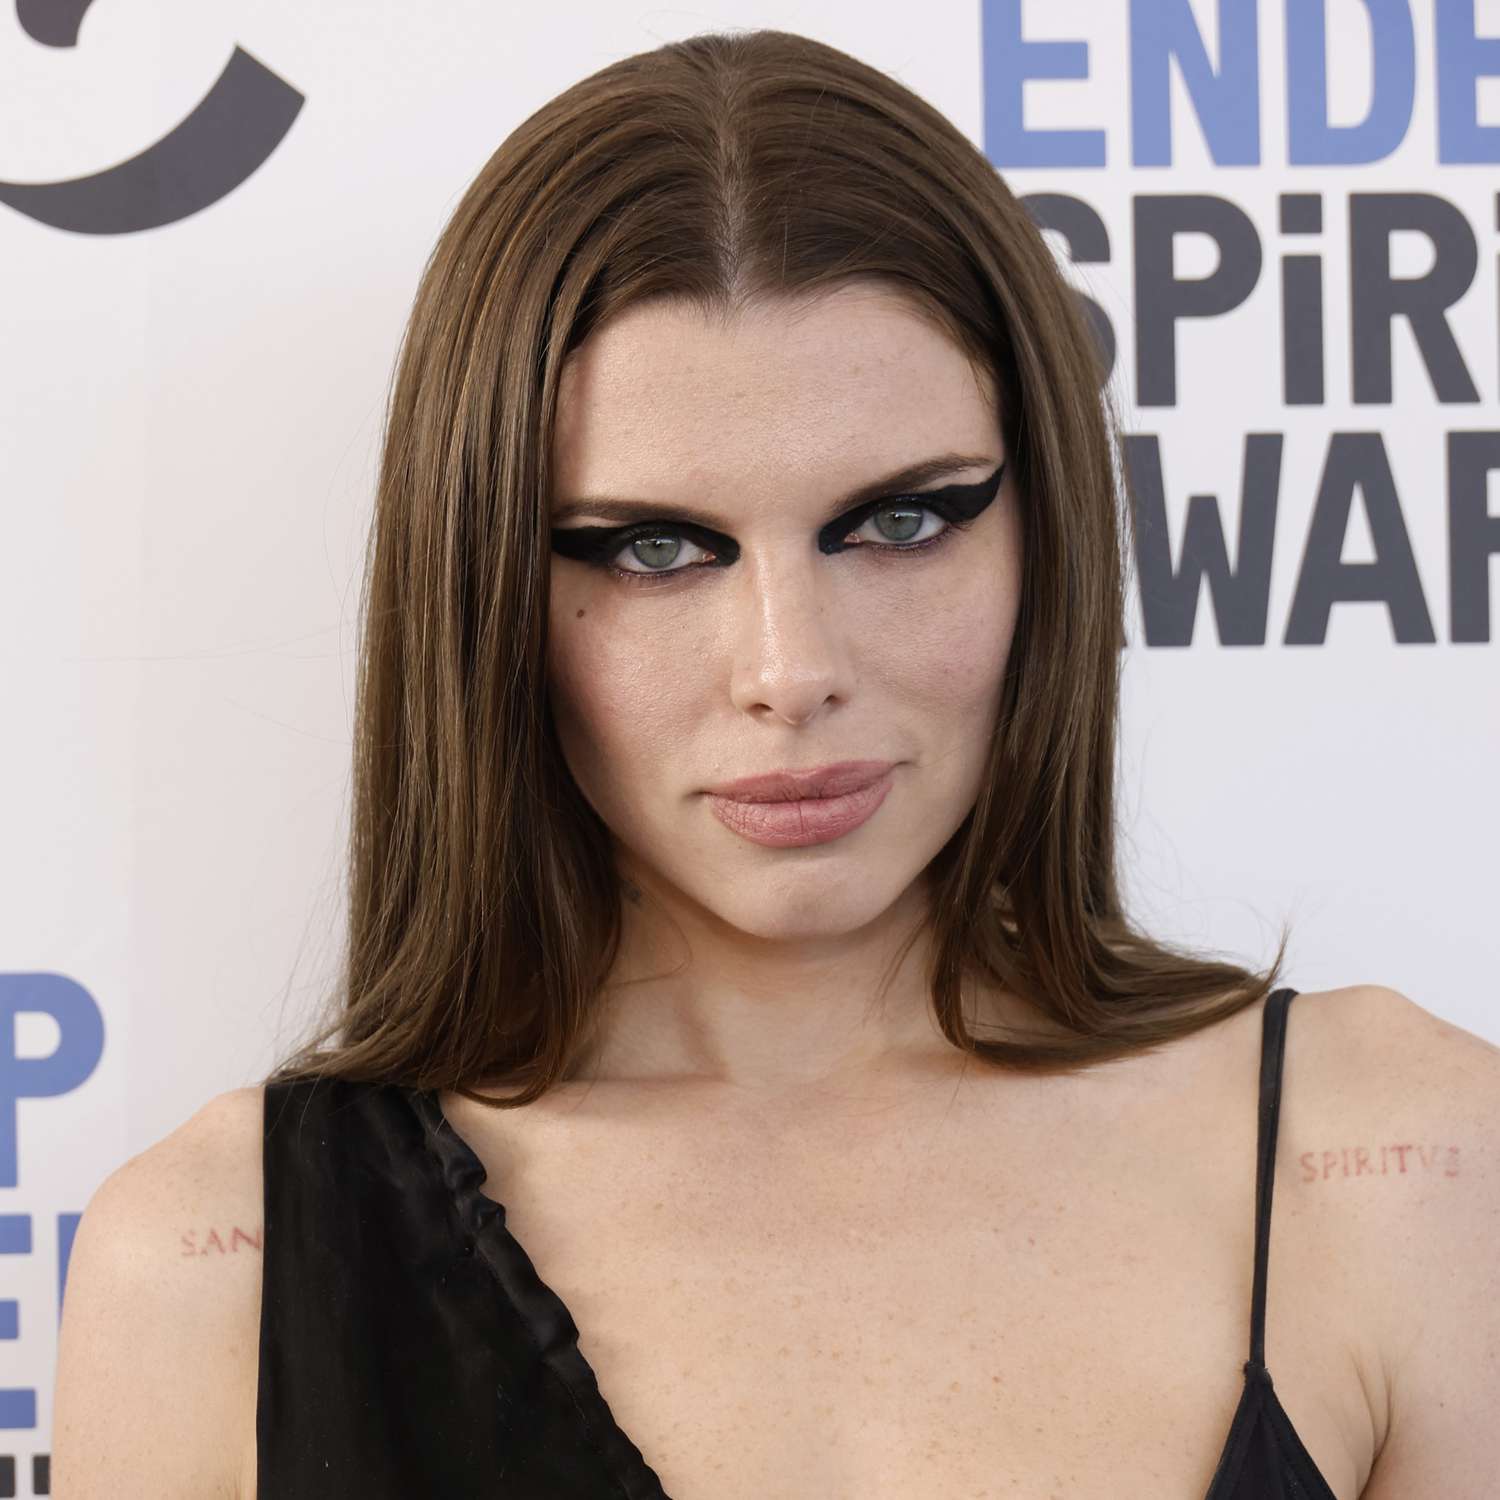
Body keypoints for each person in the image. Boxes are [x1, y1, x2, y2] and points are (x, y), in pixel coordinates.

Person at [51, 27, 1498, 1499]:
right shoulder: (217, 1266)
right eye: (656, 547)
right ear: (484, 586)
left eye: (899, 522)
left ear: (1047, 528)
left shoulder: (1401, 1165)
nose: (790, 668)